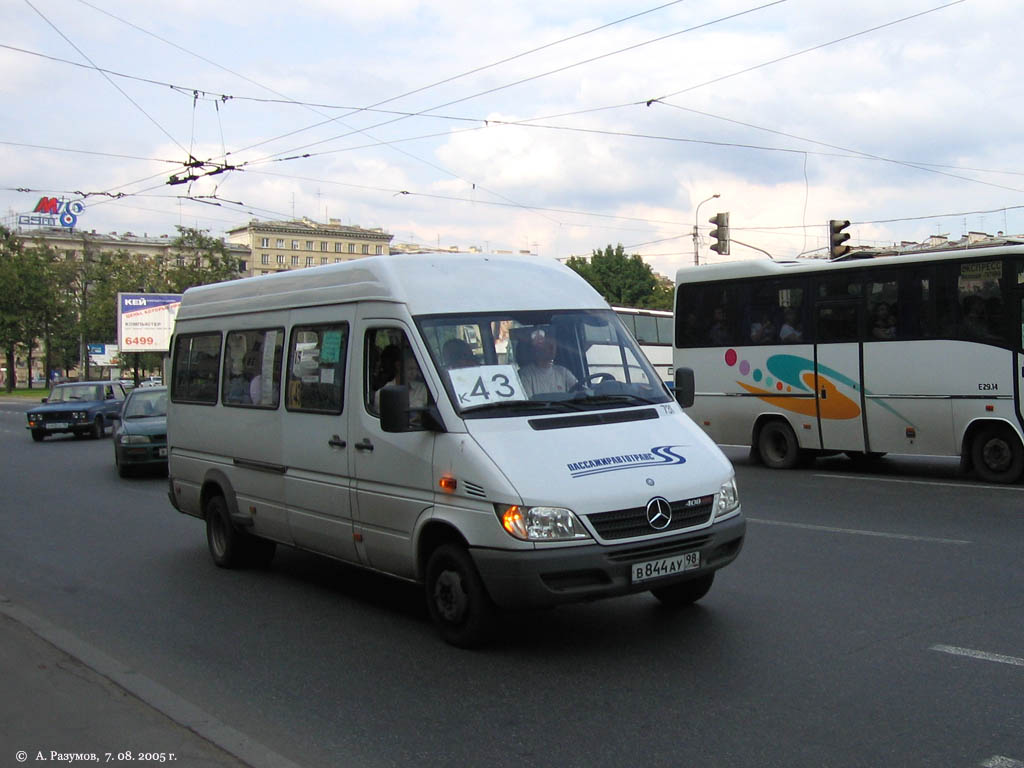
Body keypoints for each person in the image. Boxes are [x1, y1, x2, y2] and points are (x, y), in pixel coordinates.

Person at [518, 329, 577, 397]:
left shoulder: (563, 372)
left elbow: (580, 391)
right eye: (549, 346)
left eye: (553, 345)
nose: (552, 349)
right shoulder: (525, 375)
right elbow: (528, 404)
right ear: (536, 349)